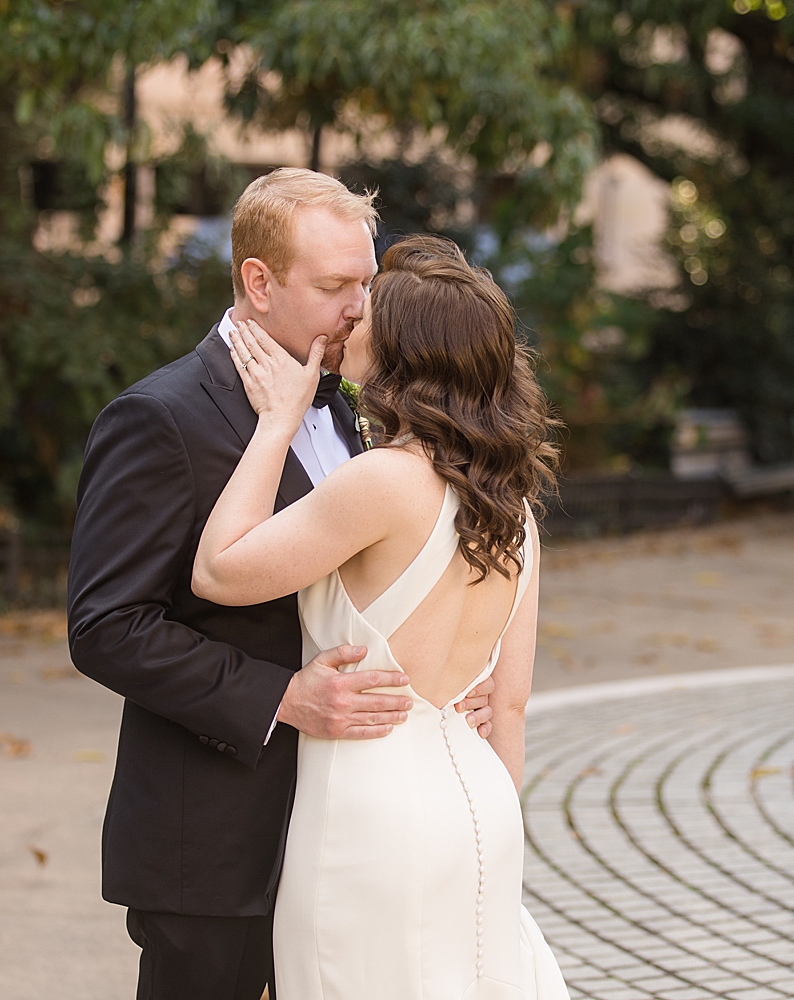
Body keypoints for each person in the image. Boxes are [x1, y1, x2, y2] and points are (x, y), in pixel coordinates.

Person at [67, 169, 496, 1000]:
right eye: (335, 286)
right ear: (257, 282)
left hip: (349, 829)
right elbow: (107, 625)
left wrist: (456, 686)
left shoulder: (355, 404)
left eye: (365, 284)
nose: (359, 309)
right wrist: (280, 698)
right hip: (216, 841)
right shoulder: (160, 417)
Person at [191, 233, 569, 999]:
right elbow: (509, 705)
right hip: (482, 805)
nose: (350, 317)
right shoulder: (516, 510)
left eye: (369, 313)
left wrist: (274, 424)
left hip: (371, 811)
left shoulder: (384, 483)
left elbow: (218, 571)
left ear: (403, 353)